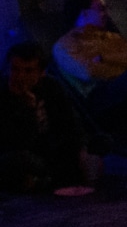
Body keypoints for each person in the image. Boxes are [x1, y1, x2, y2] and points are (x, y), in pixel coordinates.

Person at [0, 42, 90, 193]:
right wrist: (27, 110)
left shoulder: (51, 87)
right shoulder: (3, 93)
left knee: (82, 154)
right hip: (17, 153)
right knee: (19, 160)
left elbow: (70, 124)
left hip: (47, 152)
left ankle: (43, 180)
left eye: (28, 71)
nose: (20, 77)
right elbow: (14, 142)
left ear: (41, 73)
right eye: (15, 69)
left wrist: (83, 151)